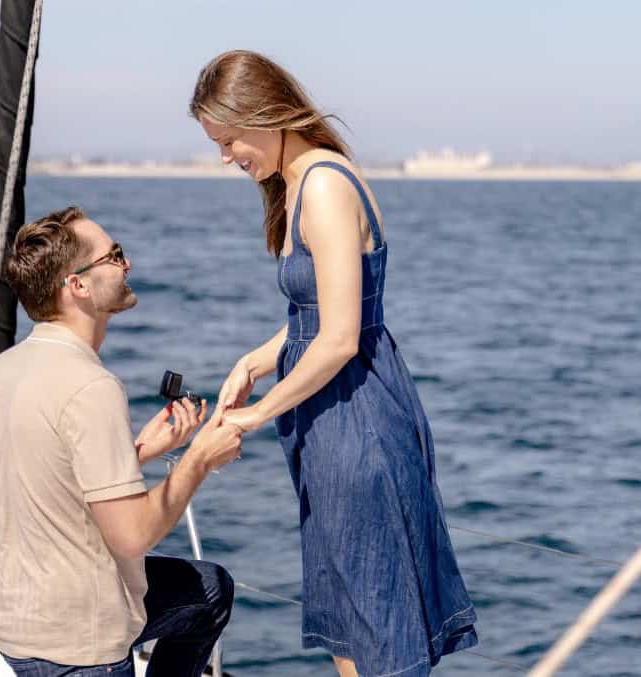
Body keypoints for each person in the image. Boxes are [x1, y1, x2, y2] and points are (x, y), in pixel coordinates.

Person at [191, 50, 478, 677]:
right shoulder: (299, 181)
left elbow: (342, 336)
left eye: (229, 138)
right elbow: (322, 311)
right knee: (350, 618)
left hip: (358, 423)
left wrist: (257, 415)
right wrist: (259, 358)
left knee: (378, 618)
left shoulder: (321, 185)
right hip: (330, 421)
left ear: (265, 115)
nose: (226, 156)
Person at [0, 205, 243, 677]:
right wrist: (197, 458)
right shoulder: (92, 387)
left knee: (210, 589)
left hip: (13, 622)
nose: (127, 264)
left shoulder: (6, 368)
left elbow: (50, 475)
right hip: (78, 644)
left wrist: (138, 453)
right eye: (113, 256)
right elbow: (133, 535)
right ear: (77, 285)